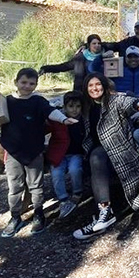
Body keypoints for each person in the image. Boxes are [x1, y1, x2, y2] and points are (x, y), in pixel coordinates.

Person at [0, 68, 78, 237]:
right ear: (16, 82)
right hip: (13, 152)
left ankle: (38, 214)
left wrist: (64, 119)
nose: (27, 86)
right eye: (23, 82)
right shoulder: (6, 101)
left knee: (36, 185)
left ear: (36, 85)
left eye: (32, 83)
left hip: (34, 151)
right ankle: (15, 217)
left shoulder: (38, 101)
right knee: (14, 187)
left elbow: (50, 112)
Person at [72, 73, 139, 240]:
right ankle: (103, 212)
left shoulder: (115, 101)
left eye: (98, 84)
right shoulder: (86, 107)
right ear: (86, 89)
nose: (95, 88)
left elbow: (129, 103)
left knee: (96, 157)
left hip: (121, 150)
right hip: (98, 153)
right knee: (93, 159)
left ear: (104, 86)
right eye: (90, 86)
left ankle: (104, 212)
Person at [45, 91, 87, 219]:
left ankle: (77, 192)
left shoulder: (84, 121)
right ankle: (63, 199)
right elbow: (44, 127)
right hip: (59, 154)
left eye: (78, 106)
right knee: (56, 173)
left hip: (76, 153)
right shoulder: (58, 119)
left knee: (75, 169)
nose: (74, 110)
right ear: (64, 107)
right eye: (71, 106)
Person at [39, 34, 105, 91]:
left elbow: (114, 45)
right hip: (83, 91)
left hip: (100, 89)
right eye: (94, 43)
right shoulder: (80, 58)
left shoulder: (105, 55)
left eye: (99, 43)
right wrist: (46, 69)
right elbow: (63, 67)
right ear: (89, 45)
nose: (97, 45)